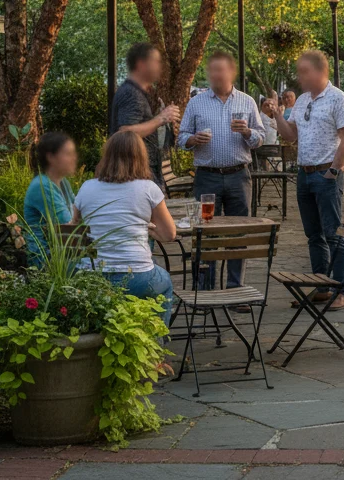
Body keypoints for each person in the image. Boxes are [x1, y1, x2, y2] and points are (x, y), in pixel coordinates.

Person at [274, 50, 344, 309]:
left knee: (333, 234)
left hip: (325, 174)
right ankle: (322, 287)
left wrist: (334, 170)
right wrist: (277, 115)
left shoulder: (338, 99)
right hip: (304, 174)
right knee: (314, 235)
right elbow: (290, 135)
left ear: (320, 71)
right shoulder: (301, 101)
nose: (299, 77)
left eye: (304, 72)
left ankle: (342, 290)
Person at [72, 132, 178, 326]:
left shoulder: (86, 187)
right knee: (164, 283)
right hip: (136, 277)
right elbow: (169, 234)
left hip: (91, 276)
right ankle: (155, 340)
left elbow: (72, 230)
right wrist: (147, 229)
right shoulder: (148, 188)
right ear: (141, 157)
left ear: (107, 156)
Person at [177, 51, 263, 288]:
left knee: (238, 232)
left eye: (220, 70)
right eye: (212, 70)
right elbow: (181, 137)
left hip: (238, 176)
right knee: (205, 232)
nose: (215, 74)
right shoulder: (196, 102)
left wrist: (247, 132)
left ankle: (235, 287)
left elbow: (260, 138)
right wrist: (193, 139)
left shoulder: (247, 101)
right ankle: (205, 290)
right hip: (207, 177)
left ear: (231, 72)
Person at [109, 42, 181, 191]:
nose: (160, 67)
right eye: (156, 62)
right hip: (136, 176)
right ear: (141, 64)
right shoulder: (131, 93)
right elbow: (125, 132)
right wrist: (161, 118)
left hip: (142, 174)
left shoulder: (138, 93)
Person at [23, 131, 78, 267]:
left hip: (64, 253)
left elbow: (78, 212)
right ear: (51, 157)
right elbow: (68, 227)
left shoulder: (63, 182)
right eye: (68, 154)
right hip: (46, 261)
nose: (74, 158)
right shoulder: (42, 186)